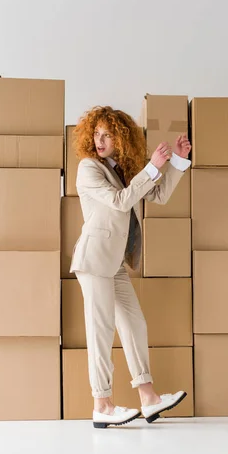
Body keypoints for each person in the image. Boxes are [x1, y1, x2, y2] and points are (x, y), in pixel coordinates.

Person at [70, 106, 192, 429]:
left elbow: (160, 194)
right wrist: (151, 167)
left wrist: (175, 161)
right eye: (96, 134)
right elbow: (122, 201)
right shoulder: (88, 169)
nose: (100, 140)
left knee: (134, 322)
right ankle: (102, 404)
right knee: (101, 329)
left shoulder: (123, 169)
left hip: (114, 262)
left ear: (120, 138)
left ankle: (149, 398)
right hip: (95, 260)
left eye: (107, 134)